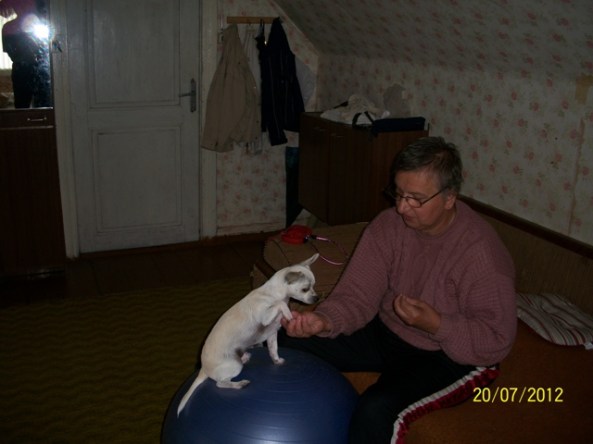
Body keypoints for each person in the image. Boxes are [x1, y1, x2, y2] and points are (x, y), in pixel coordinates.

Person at [280, 136, 517, 443]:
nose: (402, 207)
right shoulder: (388, 225)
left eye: (415, 198)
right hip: (388, 332)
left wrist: (437, 325)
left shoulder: (481, 253)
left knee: (375, 410)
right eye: (399, 193)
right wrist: (324, 320)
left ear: (449, 198)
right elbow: (357, 294)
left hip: (449, 356)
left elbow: (496, 340)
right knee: (285, 341)